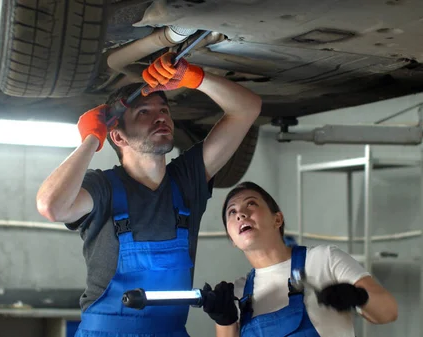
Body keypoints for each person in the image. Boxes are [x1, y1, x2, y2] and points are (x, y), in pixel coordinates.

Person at [35, 52, 262, 336]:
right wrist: (92, 138)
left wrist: (195, 78)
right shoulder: (102, 188)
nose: (160, 118)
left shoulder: (187, 179)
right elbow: (50, 205)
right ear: (118, 137)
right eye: (144, 112)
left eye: (164, 110)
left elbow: (248, 109)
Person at [202, 181, 398, 337]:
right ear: (232, 239)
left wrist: (357, 297)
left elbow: (389, 311)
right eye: (232, 212)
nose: (241, 214)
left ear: (277, 219)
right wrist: (225, 321)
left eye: (251, 204)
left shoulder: (324, 260)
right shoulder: (237, 294)